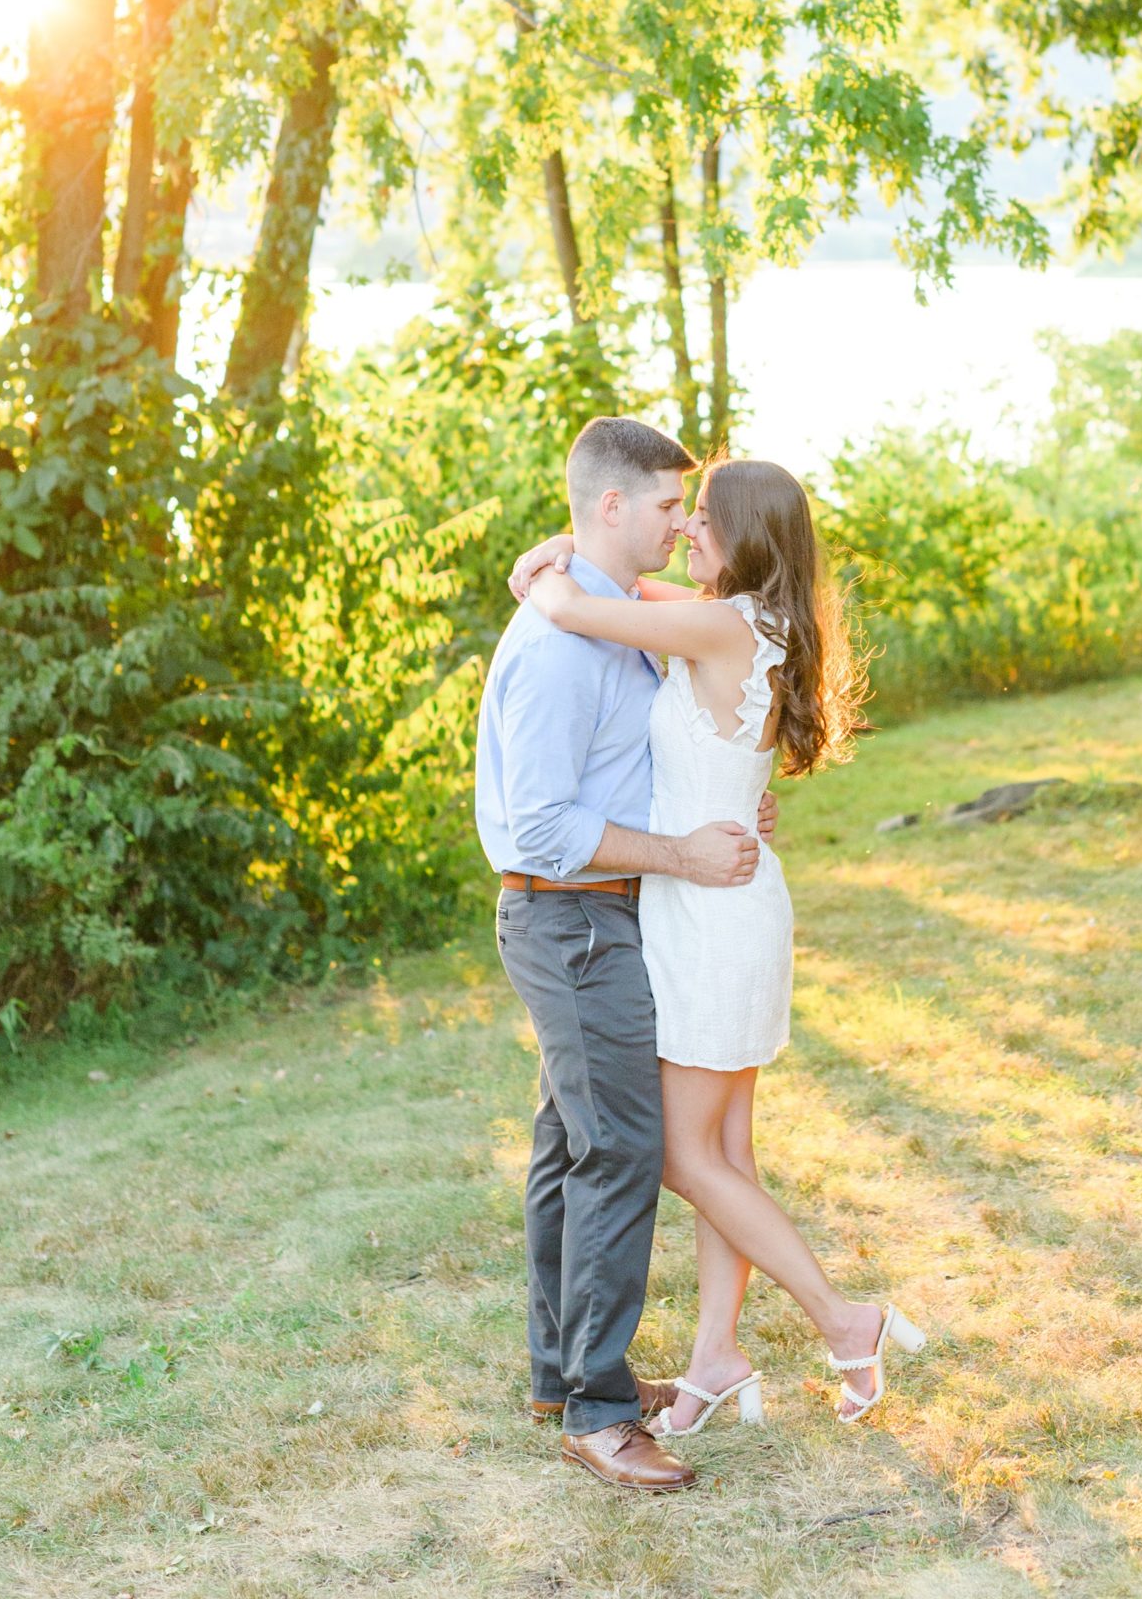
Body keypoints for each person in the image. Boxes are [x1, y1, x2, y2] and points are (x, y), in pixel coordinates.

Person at [509, 451, 926, 1446]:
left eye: (702, 518)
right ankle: (713, 1355)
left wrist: (546, 573)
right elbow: (622, 583)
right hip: (732, 900)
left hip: (706, 910)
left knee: (687, 1158)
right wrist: (569, 544)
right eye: (678, 513)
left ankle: (840, 1319)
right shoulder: (755, 621)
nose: (687, 529)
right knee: (726, 1152)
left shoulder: (716, 621)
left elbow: (581, 610)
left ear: (742, 539)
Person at [474, 416, 780, 1496]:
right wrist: (682, 856)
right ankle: (600, 1413)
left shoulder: (613, 622)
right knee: (617, 1150)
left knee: (571, 1143)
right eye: (664, 506)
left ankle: (561, 1375)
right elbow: (550, 825)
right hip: (569, 917)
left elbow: (643, 759)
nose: (678, 524)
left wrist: (719, 815)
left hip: (607, 912)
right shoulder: (560, 648)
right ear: (610, 506)